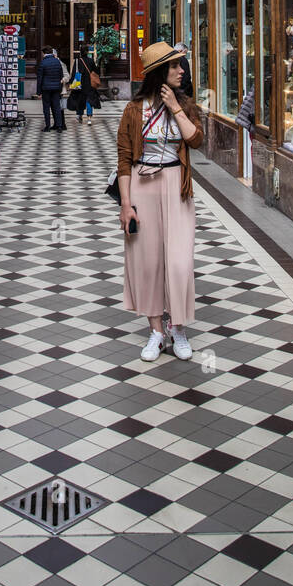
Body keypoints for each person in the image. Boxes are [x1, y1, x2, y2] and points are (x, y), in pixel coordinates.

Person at [116, 41, 204, 363]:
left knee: (180, 263)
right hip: (143, 187)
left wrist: (176, 108)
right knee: (148, 263)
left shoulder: (185, 105)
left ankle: (177, 327)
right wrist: (126, 204)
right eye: (175, 67)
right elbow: (124, 159)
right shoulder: (133, 110)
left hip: (176, 188)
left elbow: (196, 139)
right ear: (158, 74)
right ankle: (156, 331)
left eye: (181, 66)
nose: (182, 71)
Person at [68, 45, 102, 125]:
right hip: (89, 84)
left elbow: (73, 73)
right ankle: (89, 119)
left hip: (79, 84)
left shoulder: (77, 61)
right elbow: (96, 71)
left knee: (80, 100)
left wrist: (70, 82)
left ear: (80, 52)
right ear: (87, 52)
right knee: (89, 101)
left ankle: (80, 115)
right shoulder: (91, 61)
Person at [36, 44, 65, 131]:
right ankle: (59, 126)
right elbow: (61, 76)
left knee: (46, 108)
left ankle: (47, 126)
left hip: (46, 89)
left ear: (43, 53)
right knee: (56, 107)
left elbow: (40, 78)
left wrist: (39, 92)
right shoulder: (57, 62)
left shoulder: (43, 63)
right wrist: (60, 87)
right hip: (56, 88)